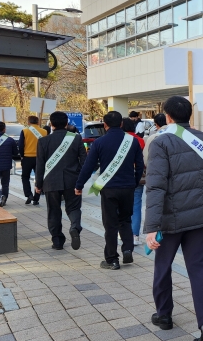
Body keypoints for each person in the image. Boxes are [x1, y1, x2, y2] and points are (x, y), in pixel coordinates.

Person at [145, 96, 203, 341]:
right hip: (202, 216)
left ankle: (164, 315)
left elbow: (155, 187)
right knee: (200, 270)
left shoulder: (161, 142)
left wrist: (151, 227)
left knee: (163, 266)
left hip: (171, 219)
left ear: (167, 117)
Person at [75, 111, 144, 270]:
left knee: (111, 224)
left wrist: (79, 186)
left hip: (109, 189)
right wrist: (133, 182)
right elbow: (139, 166)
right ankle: (127, 249)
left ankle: (112, 259)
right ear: (121, 124)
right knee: (125, 220)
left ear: (105, 125)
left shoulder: (99, 142)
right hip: (127, 187)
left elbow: (88, 167)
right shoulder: (132, 141)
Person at [35, 111, 87, 250]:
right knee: (74, 208)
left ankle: (57, 242)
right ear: (66, 123)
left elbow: (39, 165)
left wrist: (38, 184)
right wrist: (79, 178)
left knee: (53, 211)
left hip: (50, 182)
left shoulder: (43, 141)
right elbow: (84, 161)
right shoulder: (76, 138)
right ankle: (75, 227)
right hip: (72, 181)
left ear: (51, 124)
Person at [123, 118, 146, 245]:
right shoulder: (140, 140)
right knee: (136, 205)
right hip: (137, 176)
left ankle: (124, 233)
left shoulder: (119, 139)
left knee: (122, 206)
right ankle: (135, 236)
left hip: (122, 178)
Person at [18, 115, 47, 205]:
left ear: (28, 122)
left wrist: (22, 156)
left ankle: (29, 195)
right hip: (40, 157)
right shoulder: (44, 131)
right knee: (39, 177)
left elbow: (21, 145)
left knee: (25, 177)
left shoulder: (24, 131)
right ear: (38, 122)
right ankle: (36, 199)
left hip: (27, 157)